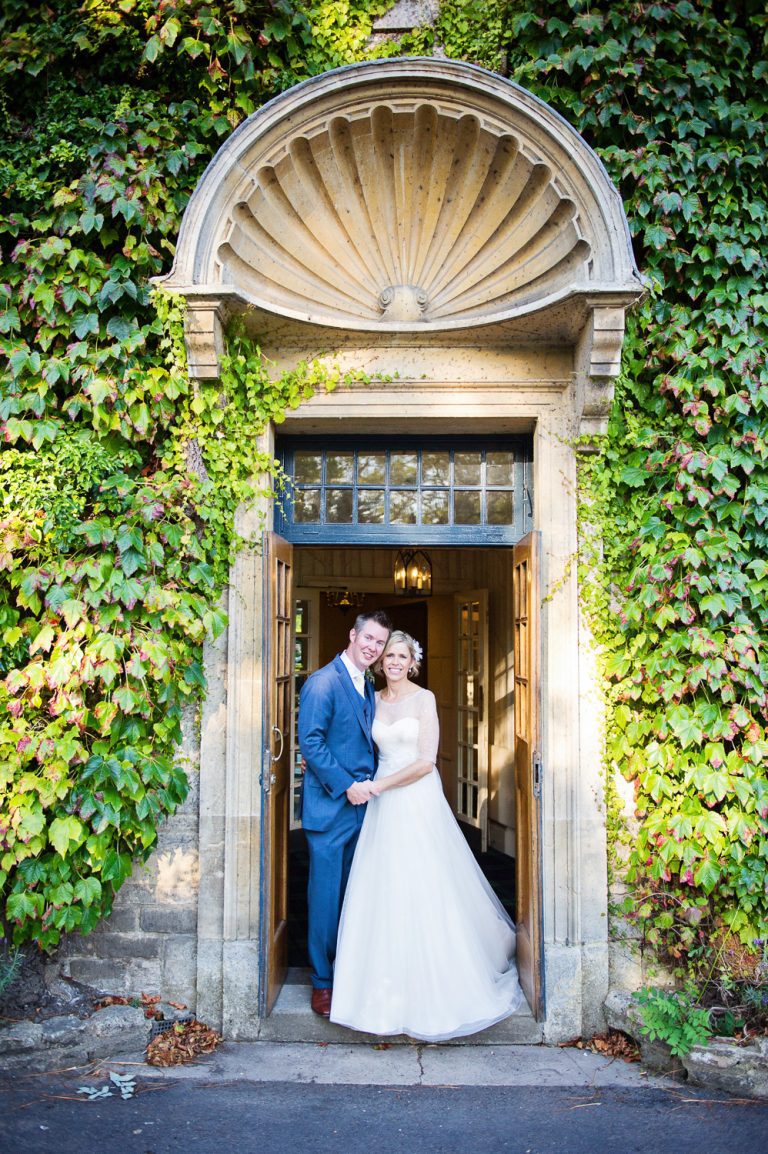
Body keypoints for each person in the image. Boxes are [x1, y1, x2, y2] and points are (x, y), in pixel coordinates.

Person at [330, 630, 525, 1040]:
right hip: (380, 801)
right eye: (389, 656)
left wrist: (378, 787)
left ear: (411, 661)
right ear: (380, 662)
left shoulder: (425, 700)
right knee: (382, 887)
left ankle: (439, 981)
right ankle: (380, 986)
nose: (395, 662)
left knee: (424, 883)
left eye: (402, 655)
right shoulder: (373, 698)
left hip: (413, 798)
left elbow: (425, 762)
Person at [297, 609, 392, 1017]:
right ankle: (321, 982)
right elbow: (311, 742)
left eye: (380, 642)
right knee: (325, 898)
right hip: (330, 809)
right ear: (352, 635)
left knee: (355, 897)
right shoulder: (322, 682)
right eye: (368, 638)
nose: (373, 647)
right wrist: (347, 784)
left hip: (362, 810)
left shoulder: (368, 686)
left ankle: (349, 972)